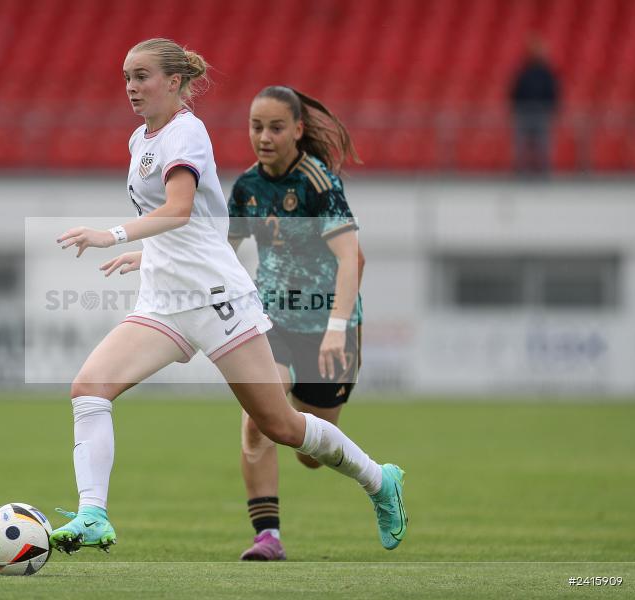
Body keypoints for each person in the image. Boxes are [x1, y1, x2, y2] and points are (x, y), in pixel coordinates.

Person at [50, 38, 407, 557]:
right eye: (126, 76)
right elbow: (201, 231)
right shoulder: (139, 140)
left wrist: (115, 235)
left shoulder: (187, 132)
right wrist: (150, 259)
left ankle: (379, 480)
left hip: (218, 301)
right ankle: (92, 515)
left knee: (279, 426)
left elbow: (177, 209)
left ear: (174, 82)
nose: (130, 86)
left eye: (142, 75)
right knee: (88, 389)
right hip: (165, 301)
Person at [227, 86, 372, 560]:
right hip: (270, 318)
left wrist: (336, 328)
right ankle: (267, 536)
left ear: (298, 130)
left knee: (310, 454)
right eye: (256, 126)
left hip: (328, 327)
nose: (263, 137)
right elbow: (222, 255)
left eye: (275, 127)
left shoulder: (318, 182)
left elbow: (352, 259)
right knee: (257, 422)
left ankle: (357, 468)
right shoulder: (247, 187)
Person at [510, 37, 560, 174]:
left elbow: (553, 92)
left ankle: (543, 172)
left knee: (543, 145)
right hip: (524, 112)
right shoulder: (523, 71)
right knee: (521, 145)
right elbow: (515, 91)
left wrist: (550, 108)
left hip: (542, 112)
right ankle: (521, 172)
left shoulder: (547, 73)